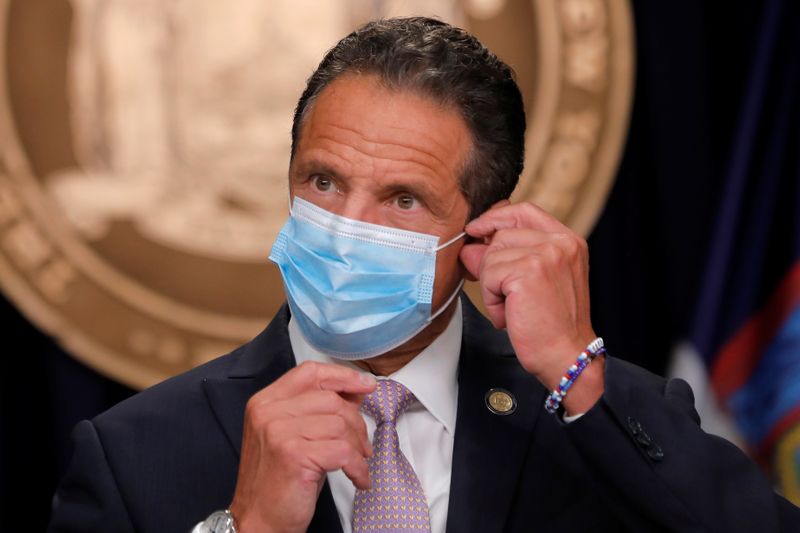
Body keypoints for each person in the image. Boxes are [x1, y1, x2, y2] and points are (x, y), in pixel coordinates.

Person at [48, 17, 800, 533]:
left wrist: (580, 377)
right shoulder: (131, 453)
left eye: (403, 199)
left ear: (483, 229)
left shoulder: (587, 418)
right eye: (323, 182)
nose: (348, 227)